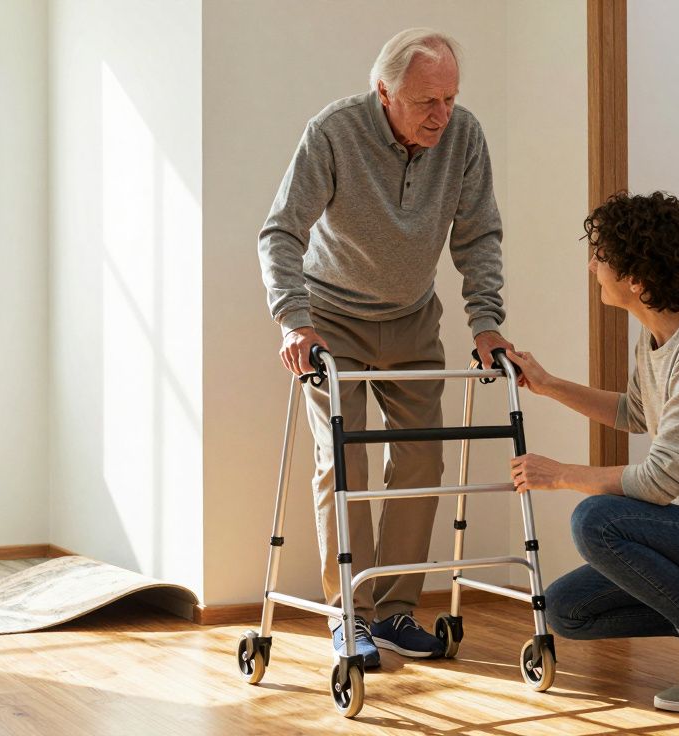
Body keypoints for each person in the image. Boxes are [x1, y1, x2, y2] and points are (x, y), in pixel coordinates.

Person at [257, 28, 513, 667]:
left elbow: (478, 236)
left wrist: (485, 324)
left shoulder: (464, 136)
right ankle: (351, 612)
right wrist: (293, 320)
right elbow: (281, 231)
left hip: (412, 319)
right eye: (428, 101)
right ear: (383, 92)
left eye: (450, 99)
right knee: (344, 461)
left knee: (423, 459)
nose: (442, 115)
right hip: (331, 320)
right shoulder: (334, 132)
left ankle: (395, 610)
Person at [506, 191, 679, 713]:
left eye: (601, 255)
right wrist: (547, 385)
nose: (592, 264)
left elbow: (659, 483)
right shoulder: (657, 333)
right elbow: (636, 411)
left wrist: (559, 474)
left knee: (597, 520)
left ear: (635, 279)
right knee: (568, 610)